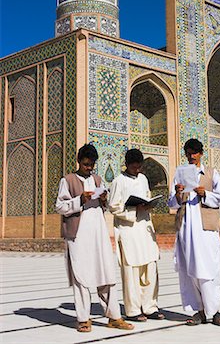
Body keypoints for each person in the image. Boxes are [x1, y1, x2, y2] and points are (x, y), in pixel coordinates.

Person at [55, 143, 134, 333]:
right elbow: (60, 206)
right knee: (80, 276)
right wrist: (79, 200)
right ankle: (83, 318)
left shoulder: (98, 180)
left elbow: (103, 207)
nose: (89, 168)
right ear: (79, 162)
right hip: (78, 235)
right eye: (85, 164)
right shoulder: (68, 180)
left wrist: (104, 199)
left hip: (98, 234)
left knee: (105, 273)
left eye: (91, 165)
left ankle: (114, 316)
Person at [168, 138, 220, 326]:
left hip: (206, 229)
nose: (191, 156)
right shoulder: (180, 174)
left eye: (194, 152)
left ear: (201, 153)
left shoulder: (211, 173)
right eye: (188, 153)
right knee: (190, 270)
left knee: (209, 268)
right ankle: (199, 311)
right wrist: (177, 194)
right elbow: (171, 203)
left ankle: (214, 310)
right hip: (186, 228)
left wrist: (205, 194)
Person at [108, 149, 165, 322]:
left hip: (145, 229)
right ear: (127, 165)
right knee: (131, 272)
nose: (137, 170)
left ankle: (150, 307)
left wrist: (147, 205)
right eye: (134, 167)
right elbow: (113, 206)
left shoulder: (143, 179)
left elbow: (146, 196)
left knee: (150, 268)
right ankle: (132, 310)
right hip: (129, 231)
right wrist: (133, 210)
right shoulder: (119, 181)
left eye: (139, 167)